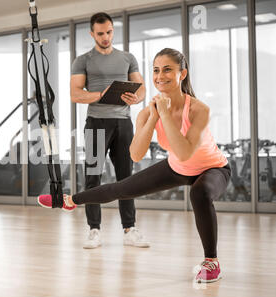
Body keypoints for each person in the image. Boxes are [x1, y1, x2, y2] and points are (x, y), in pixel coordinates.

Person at [38, 48, 231, 283]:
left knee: (200, 192)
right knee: (121, 187)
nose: (160, 76)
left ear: (183, 74)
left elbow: (184, 151)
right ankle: (67, 201)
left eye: (168, 70)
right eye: (156, 70)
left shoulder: (199, 109)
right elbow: (136, 154)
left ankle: (211, 262)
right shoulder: (147, 113)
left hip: (213, 168)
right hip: (178, 167)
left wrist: (165, 114)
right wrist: (153, 117)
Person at [37, 12, 149, 250]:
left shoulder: (127, 57)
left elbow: (141, 91)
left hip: (123, 124)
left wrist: (134, 98)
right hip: (97, 123)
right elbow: (75, 93)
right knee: (93, 177)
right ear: (92, 34)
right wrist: (102, 94)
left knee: (126, 178)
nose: (106, 37)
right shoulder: (83, 60)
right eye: (100, 33)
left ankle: (129, 229)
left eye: (109, 32)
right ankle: (94, 230)